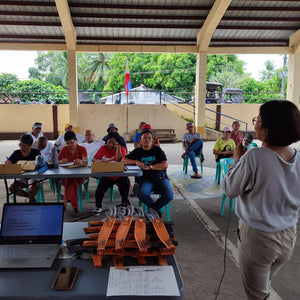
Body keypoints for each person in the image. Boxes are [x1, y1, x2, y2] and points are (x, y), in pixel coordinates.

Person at [223, 100, 300, 300]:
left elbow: (231, 189)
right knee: (264, 286)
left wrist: (237, 160)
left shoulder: (255, 157)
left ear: (267, 127)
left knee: (257, 296)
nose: (255, 124)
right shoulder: (298, 158)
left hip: (259, 240)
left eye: (258, 119)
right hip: (288, 237)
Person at [122, 128, 173, 217]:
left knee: (169, 195)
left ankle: (153, 209)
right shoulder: (137, 151)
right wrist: (135, 162)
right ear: (140, 140)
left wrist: (150, 167)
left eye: (149, 138)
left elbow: (165, 164)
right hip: (145, 179)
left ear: (152, 140)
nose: (147, 140)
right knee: (142, 194)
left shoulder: (157, 150)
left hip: (160, 178)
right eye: (144, 138)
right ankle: (156, 211)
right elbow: (123, 160)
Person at [93, 131, 130, 214]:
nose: (110, 145)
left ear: (118, 142)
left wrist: (118, 148)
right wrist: (100, 161)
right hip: (108, 175)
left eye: (113, 143)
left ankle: (124, 204)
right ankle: (98, 207)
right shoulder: (103, 148)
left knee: (125, 185)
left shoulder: (122, 149)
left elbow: (118, 160)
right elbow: (94, 159)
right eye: (109, 142)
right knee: (99, 190)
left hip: (119, 175)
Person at [58, 131, 88, 216]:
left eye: (71, 142)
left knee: (72, 183)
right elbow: (56, 161)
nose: (70, 145)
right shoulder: (64, 149)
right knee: (71, 182)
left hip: (80, 176)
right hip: (66, 176)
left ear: (76, 140)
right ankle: (75, 208)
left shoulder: (82, 149)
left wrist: (81, 162)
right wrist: (61, 161)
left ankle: (65, 201)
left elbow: (86, 161)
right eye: (67, 143)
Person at [5, 134, 41, 203]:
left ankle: (30, 200)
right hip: (20, 176)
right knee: (12, 188)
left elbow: (42, 165)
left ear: (30, 145)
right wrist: (8, 163)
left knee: (33, 186)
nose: (21, 147)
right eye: (20, 145)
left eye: (24, 145)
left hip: (33, 175)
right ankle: (30, 197)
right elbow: (9, 162)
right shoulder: (16, 153)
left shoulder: (36, 153)